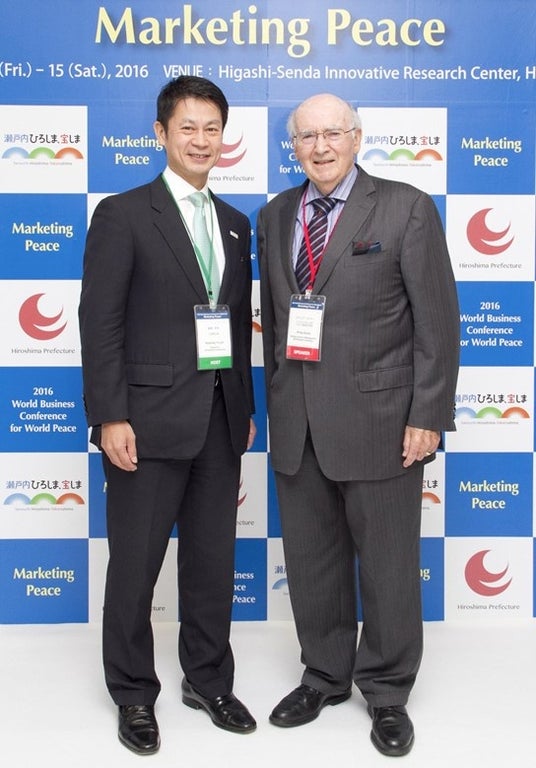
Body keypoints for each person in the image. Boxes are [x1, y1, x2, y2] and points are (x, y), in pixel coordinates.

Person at [257, 93, 459, 757]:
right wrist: (278, 401)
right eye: (306, 136)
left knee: (390, 565)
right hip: (298, 422)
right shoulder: (275, 215)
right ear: (293, 146)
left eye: (332, 133)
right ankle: (324, 675)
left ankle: (388, 690)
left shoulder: (405, 207)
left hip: (382, 422)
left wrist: (427, 414)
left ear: (357, 136)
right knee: (312, 563)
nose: (320, 147)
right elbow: (278, 326)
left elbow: (437, 323)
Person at [79, 75, 257, 756]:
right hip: (145, 422)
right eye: (188, 127)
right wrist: (110, 416)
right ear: (161, 133)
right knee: (135, 566)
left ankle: (208, 681)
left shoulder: (235, 222)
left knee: (213, 563)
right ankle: (133, 692)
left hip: (219, 419)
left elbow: (234, 326)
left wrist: (241, 404)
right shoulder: (123, 214)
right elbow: (100, 323)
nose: (201, 140)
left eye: (212, 128)